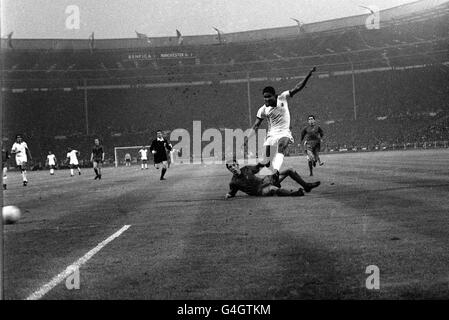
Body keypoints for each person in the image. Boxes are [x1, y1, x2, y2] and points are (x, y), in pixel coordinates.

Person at [244, 67, 317, 185]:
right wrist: (247, 138)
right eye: (264, 97)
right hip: (271, 135)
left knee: (281, 146)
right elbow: (256, 126)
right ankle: (247, 175)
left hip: (284, 132)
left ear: (275, 95)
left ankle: (275, 172)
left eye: (268, 96)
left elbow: (298, 87)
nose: (266, 99)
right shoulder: (262, 110)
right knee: (265, 162)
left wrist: (308, 75)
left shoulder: (282, 97)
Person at [225, 159, 320, 198]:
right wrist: (229, 195)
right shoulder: (234, 182)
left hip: (265, 181)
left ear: (237, 164)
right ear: (229, 170)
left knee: (289, 170)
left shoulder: (246, 169)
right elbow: (232, 193)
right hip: (260, 191)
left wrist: (264, 163)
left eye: (233, 165)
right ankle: (294, 194)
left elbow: (257, 167)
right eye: (230, 167)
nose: (232, 168)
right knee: (272, 188)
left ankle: (306, 186)